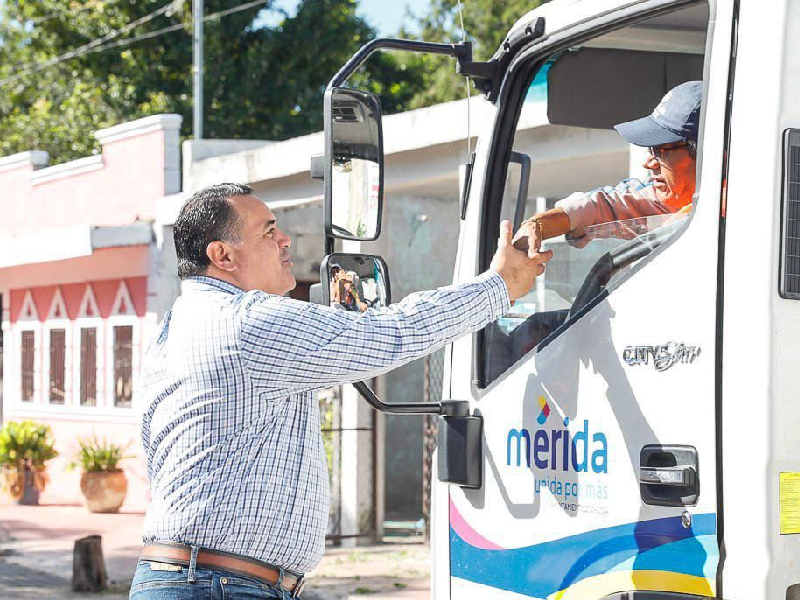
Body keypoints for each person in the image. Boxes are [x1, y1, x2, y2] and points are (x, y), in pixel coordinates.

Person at [130, 183, 552, 599]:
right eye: (267, 231)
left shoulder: (174, 329)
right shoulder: (248, 322)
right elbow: (395, 333)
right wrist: (501, 284)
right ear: (222, 255)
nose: (285, 239)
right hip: (218, 585)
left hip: (197, 579)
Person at [514, 80, 702, 254]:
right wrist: (536, 226)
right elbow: (597, 206)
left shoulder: (714, 218)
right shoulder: (665, 199)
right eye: (651, 150)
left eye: (660, 150)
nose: (649, 163)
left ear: (705, 153)